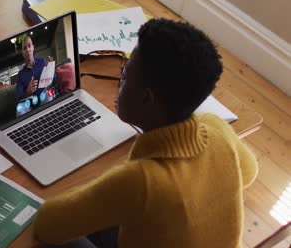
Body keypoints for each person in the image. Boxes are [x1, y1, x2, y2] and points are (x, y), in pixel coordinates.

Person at [33, 18, 258, 248]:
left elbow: (46, 224)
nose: (121, 82)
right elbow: (249, 171)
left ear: (146, 98)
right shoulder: (217, 128)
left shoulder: (141, 182)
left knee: (44, 240)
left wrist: (103, 188)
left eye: (126, 76)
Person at [15, 35, 57, 103]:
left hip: (48, 99)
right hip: (33, 107)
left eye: (29, 46)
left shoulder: (42, 62)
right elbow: (18, 98)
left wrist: (51, 70)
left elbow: (54, 81)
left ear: (33, 47)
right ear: (22, 52)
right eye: (24, 48)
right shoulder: (21, 75)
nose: (27, 50)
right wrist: (27, 92)